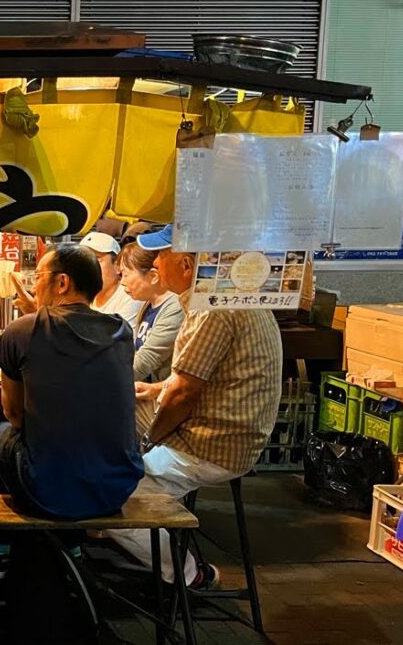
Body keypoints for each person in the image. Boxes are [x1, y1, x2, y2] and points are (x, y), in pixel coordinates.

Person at [106, 225, 283, 589]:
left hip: (212, 444)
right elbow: (206, 380)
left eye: (160, 256)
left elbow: (186, 394)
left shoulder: (210, 308)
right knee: (111, 410)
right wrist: (157, 389)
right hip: (227, 431)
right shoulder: (226, 295)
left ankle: (190, 575)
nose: (154, 263)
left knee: (108, 498)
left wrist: (149, 441)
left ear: (186, 265)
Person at [0, 243, 144, 573]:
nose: (33, 284)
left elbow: (14, 415)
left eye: (39, 276)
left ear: (62, 283)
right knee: (68, 443)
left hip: (46, 490)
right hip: (116, 487)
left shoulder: (22, 331)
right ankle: (69, 546)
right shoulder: (121, 331)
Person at [117, 242, 184, 435]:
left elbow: (147, 359)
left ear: (153, 276)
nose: (122, 282)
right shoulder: (148, 305)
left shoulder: (175, 307)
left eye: (126, 274)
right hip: (152, 394)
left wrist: (101, 381)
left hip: (168, 403)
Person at [80, 231, 143, 327]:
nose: (87, 267)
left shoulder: (130, 294)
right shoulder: (83, 296)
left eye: (96, 260)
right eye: (83, 261)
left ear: (117, 266)